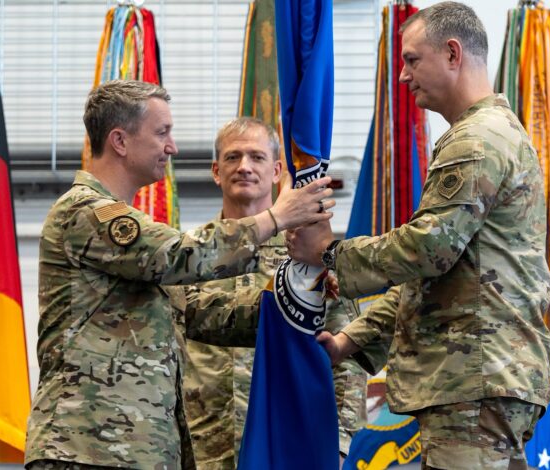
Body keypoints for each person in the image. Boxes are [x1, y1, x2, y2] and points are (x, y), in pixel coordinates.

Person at [287, 3, 550, 468]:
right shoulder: (489, 134)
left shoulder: (477, 141)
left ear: (453, 53)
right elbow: (441, 278)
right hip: (478, 377)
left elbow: (429, 249)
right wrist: (353, 338)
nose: (403, 77)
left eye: (413, 60)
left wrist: (330, 252)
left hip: (473, 378)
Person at [24, 80, 334, 470]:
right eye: (162, 133)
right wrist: (277, 217)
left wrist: (302, 293)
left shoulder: (130, 235)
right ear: (120, 141)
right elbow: (180, 255)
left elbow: (205, 313)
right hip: (87, 446)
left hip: (136, 450)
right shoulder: (87, 212)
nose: (172, 147)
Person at [175, 117, 366, 469]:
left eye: (257, 157)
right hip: (201, 447)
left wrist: (338, 443)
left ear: (278, 170)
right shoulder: (188, 255)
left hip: (286, 442)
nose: (244, 167)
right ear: (216, 171)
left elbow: (346, 349)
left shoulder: (307, 255)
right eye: (232, 158)